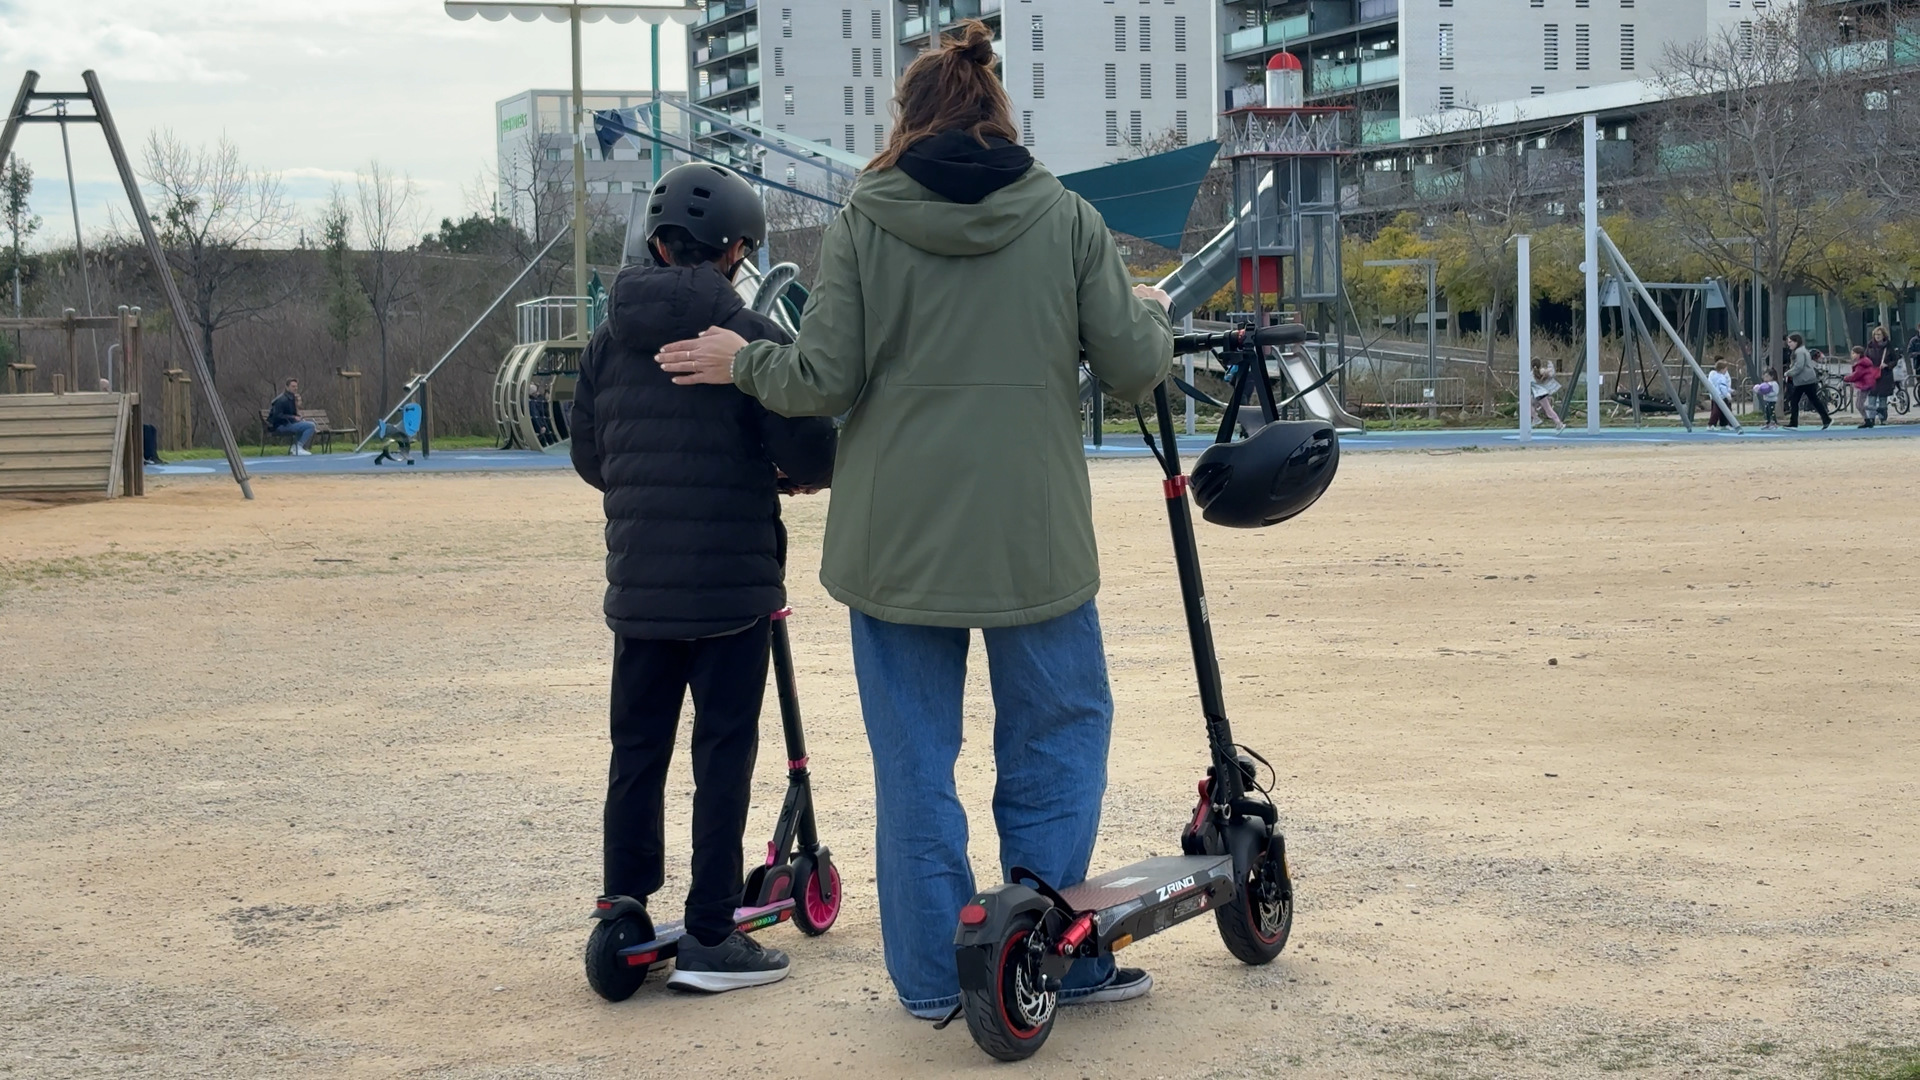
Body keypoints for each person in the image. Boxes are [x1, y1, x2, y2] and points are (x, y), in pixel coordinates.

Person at [653, 19, 1174, 1019]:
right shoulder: (1065, 219)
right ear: (996, 112)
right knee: (1059, 741)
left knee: (913, 768)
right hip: (1035, 539)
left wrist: (742, 360)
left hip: (895, 546)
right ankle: (1047, 955)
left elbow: (823, 377)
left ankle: (938, 981)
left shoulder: (864, 220)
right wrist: (1142, 308)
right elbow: (1135, 365)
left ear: (908, 120)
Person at [568, 161, 837, 994]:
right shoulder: (749, 336)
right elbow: (808, 448)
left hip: (640, 588)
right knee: (722, 750)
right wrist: (784, 474)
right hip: (731, 587)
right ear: (736, 253)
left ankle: (623, 907)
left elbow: (590, 457)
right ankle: (715, 929)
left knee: (637, 748)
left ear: (656, 243)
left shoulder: (609, 340)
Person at [1783, 333, 1831, 429]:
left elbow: (1799, 366)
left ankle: (1793, 423)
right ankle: (1826, 419)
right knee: (1814, 400)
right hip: (1807, 379)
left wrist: (1788, 373)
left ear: (1796, 342)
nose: (1789, 344)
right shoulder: (1802, 350)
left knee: (1795, 401)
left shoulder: (1799, 352)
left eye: (1790, 342)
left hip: (1804, 380)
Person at [267, 378, 316, 455]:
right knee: (310, 426)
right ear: (287, 387)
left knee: (306, 424)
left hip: (288, 423)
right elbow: (276, 416)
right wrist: (293, 417)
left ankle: (296, 448)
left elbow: (291, 413)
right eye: (293, 386)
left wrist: (298, 415)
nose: (295, 388)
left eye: (296, 386)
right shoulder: (281, 400)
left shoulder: (291, 398)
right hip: (280, 426)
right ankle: (298, 447)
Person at [1844, 345, 1881, 428]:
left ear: (1858, 354)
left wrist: (1846, 378)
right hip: (1865, 384)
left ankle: (1877, 410)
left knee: (1859, 405)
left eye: (1853, 353)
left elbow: (1856, 375)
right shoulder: (1863, 362)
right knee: (1859, 404)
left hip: (1864, 385)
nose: (1852, 355)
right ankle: (1867, 420)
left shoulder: (1861, 364)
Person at [1530, 356, 1566, 433]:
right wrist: (1550, 365)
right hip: (1538, 394)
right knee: (1527, 404)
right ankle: (1536, 418)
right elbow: (1551, 373)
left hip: (1540, 394)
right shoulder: (1541, 372)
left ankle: (1559, 423)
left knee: (1548, 410)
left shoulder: (1532, 374)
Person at [1707, 359, 1735, 428]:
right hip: (1721, 396)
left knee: (1719, 411)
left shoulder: (1714, 375)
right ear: (1722, 369)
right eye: (1725, 368)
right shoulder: (1722, 377)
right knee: (1719, 411)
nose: (1726, 370)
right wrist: (1728, 395)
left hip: (1715, 395)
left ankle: (1723, 424)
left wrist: (1730, 390)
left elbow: (1719, 386)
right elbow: (1723, 388)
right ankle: (1712, 424)